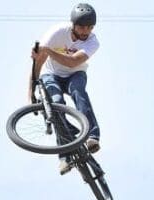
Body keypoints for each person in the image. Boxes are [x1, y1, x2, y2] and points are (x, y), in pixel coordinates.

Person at [31, 3, 102, 174]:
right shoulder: (56, 33)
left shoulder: (93, 42)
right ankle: (65, 157)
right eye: (82, 27)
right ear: (73, 24)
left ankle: (92, 136)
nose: (86, 31)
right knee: (56, 104)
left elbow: (73, 62)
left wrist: (49, 51)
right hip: (52, 74)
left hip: (75, 73)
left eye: (89, 27)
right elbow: (37, 63)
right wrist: (31, 93)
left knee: (79, 92)